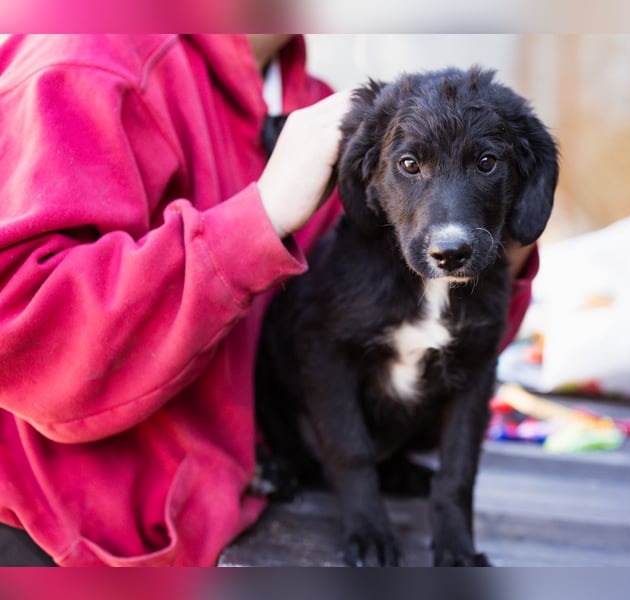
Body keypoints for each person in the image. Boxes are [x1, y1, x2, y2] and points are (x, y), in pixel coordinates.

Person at [0, 34, 540, 566]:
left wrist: (502, 240)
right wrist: (260, 216)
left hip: (252, 507)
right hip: (60, 537)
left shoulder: (320, 110)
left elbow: (428, 339)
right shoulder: (83, 58)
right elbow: (23, 344)